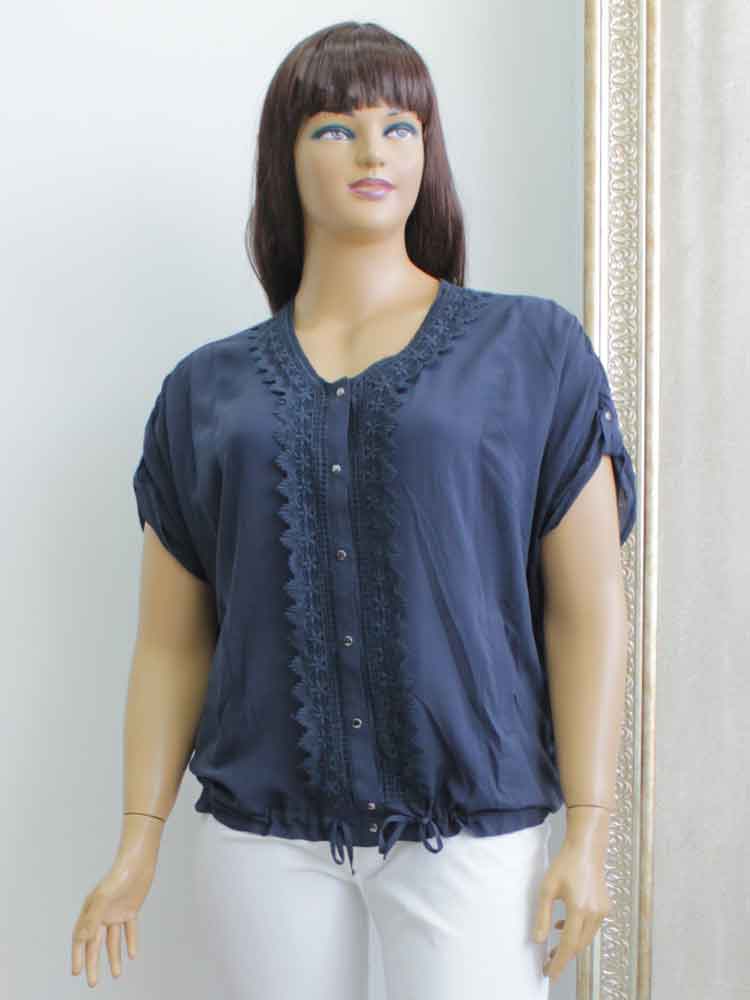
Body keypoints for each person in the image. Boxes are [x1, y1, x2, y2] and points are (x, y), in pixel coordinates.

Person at [71, 20, 636, 999]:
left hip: (471, 830)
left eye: (400, 126)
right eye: (336, 128)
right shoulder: (206, 391)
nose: (374, 151)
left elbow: (587, 607)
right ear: (285, 157)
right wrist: (136, 840)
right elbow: (171, 640)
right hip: (264, 840)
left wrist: (589, 831)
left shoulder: (531, 351)